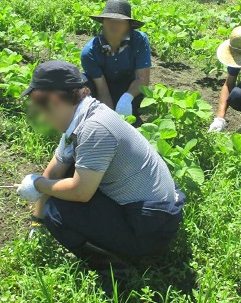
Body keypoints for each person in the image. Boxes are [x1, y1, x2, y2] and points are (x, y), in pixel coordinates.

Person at [17, 60, 184, 269]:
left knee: (57, 211)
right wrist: (37, 222)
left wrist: (38, 185)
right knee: (67, 176)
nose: (42, 117)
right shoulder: (81, 117)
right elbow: (55, 170)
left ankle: (117, 268)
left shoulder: (95, 128)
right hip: (148, 212)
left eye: (40, 107)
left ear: (54, 100)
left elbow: (81, 192)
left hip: (151, 225)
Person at [81, 0, 151, 118]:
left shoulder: (139, 40)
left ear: (128, 25)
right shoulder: (90, 51)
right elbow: (102, 89)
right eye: (110, 20)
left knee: (136, 104)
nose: (114, 25)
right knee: (82, 82)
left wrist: (126, 98)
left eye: (120, 21)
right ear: (103, 21)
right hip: (102, 89)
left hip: (129, 87)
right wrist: (111, 119)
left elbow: (142, 79)